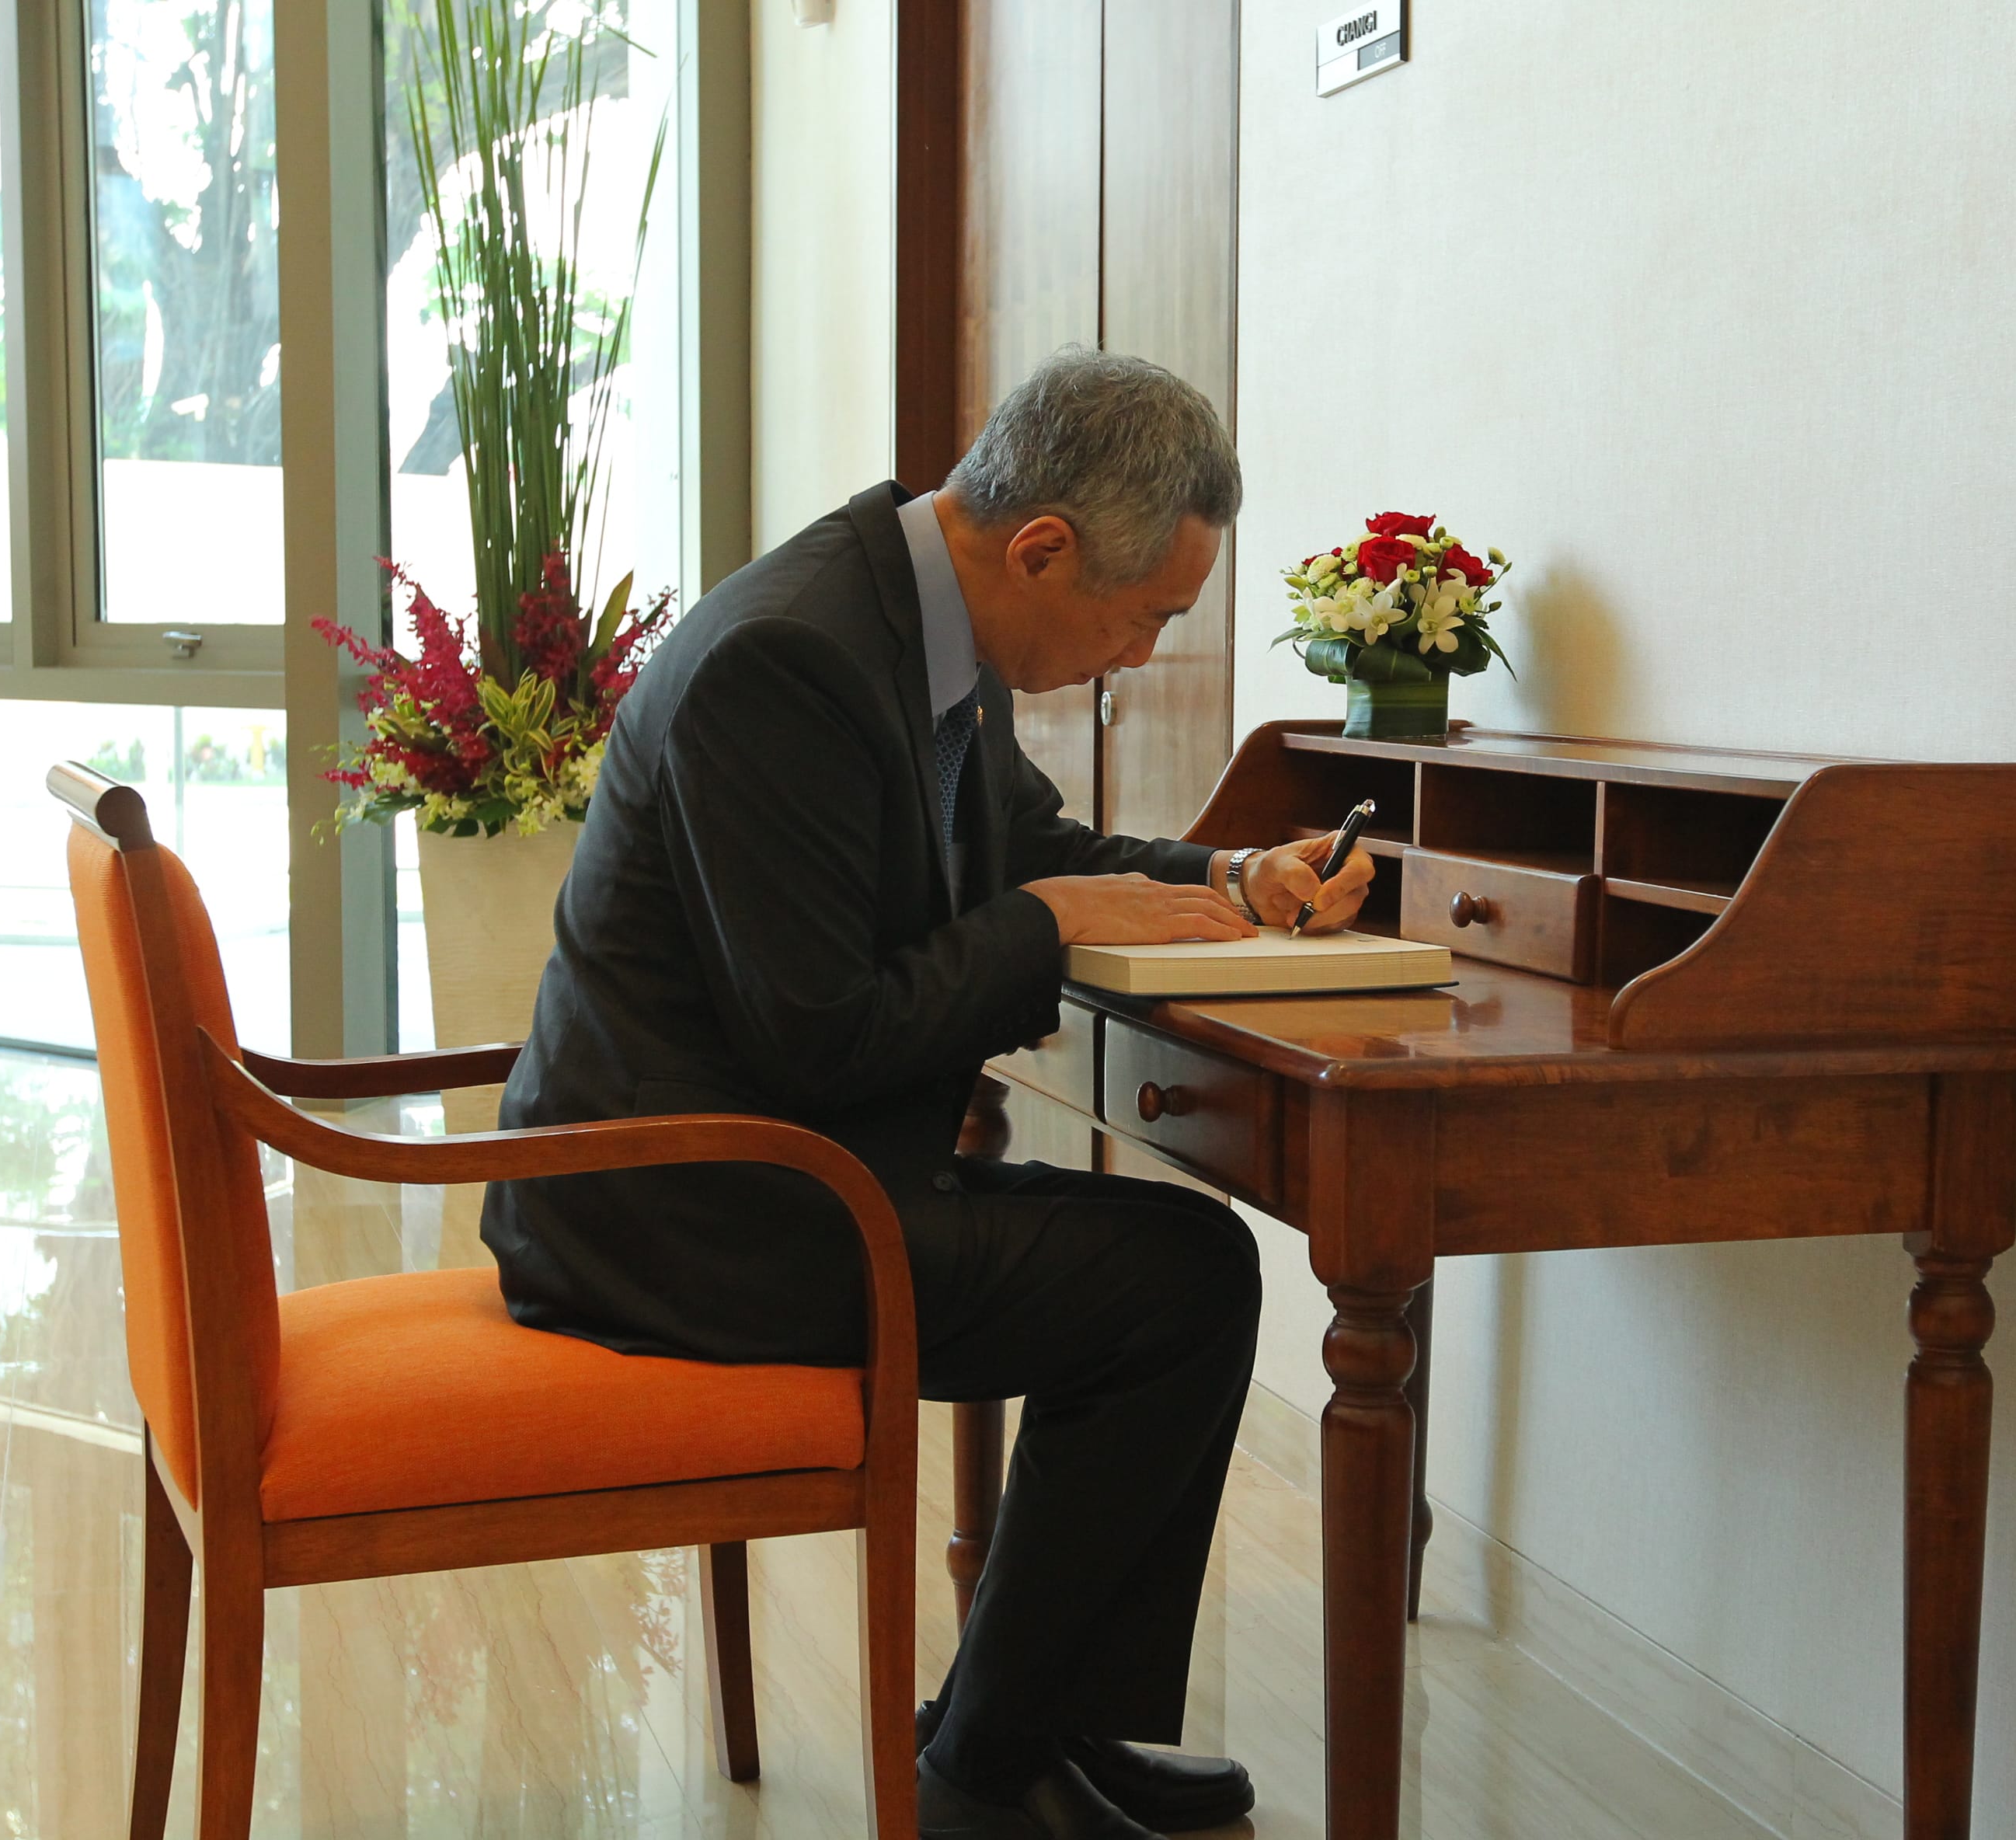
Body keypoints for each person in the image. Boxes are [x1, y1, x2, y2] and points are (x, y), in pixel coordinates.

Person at [482, 347, 1376, 1840]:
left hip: (772, 1169)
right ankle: (983, 1769)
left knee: (1181, 1270)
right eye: (1145, 616)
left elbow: (1028, 848)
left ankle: (1027, 1725)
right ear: (1042, 549)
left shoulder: (921, 623)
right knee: (1182, 1282)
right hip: (695, 1212)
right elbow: (820, 1038)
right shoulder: (792, 659)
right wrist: (1060, 929)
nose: (1142, 657)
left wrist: (1227, 876)